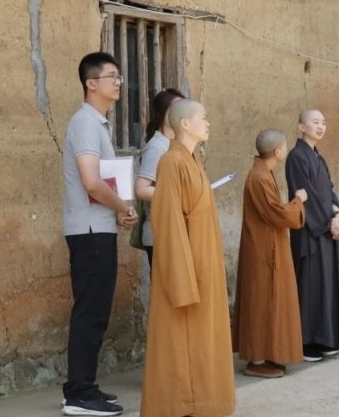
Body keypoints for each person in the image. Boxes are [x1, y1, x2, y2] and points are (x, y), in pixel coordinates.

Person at [140, 99, 236, 417]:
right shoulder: (171, 162)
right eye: (203, 118)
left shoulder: (193, 160)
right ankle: (183, 404)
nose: (208, 123)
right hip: (188, 272)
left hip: (204, 265)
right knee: (185, 345)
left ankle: (205, 402)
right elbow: (168, 224)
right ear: (184, 123)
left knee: (205, 342)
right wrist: (182, 281)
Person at [61, 52, 137, 417]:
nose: (118, 82)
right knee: (90, 313)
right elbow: (92, 183)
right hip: (90, 232)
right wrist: (122, 206)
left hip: (98, 228)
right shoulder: (86, 123)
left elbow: (101, 186)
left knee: (94, 312)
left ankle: (83, 388)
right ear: (91, 83)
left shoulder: (97, 124)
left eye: (120, 76)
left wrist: (120, 209)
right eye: (112, 76)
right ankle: (79, 394)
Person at [232, 129, 308, 378]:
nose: (286, 149)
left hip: (268, 245)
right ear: (278, 151)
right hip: (262, 250)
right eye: (284, 146)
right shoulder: (259, 177)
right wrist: (298, 200)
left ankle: (266, 354)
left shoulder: (264, 173)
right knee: (261, 302)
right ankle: (256, 359)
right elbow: (278, 214)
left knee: (268, 302)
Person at [285, 109, 339, 362]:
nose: (320, 126)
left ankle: (326, 338)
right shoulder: (296, 157)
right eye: (315, 122)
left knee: (327, 285)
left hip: (326, 229)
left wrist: (337, 215)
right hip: (309, 232)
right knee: (311, 285)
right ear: (301, 127)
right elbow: (304, 195)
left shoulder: (318, 158)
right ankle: (308, 342)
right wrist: (326, 224)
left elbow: (329, 191)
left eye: (324, 122)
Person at [133, 88, 186, 271]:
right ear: (164, 113)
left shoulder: (176, 145)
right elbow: (141, 189)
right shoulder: (157, 146)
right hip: (160, 233)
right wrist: (177, 193)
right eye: (177, 108)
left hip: (176, 231)